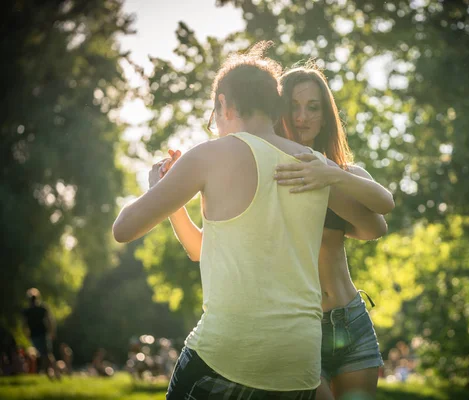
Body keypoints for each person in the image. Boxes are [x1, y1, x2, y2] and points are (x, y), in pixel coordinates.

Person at [113, 41, 365, 400]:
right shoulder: (313, 162)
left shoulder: (209, 155)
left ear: (223, 105)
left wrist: (162, 186)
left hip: (228, 354)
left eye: (214, 115)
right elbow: (373, 224)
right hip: (300, 363)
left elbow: (123, 229)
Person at [273, 65, 395, 400]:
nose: (302, 117)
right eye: (293, 107)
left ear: (326, 117)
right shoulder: (272, 175)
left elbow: (382, 214)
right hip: (299, 327)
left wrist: (332, 175)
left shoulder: (344, 173)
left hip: (351, 319)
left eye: (313, 107)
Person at [22, 288, 61, 380]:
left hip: (39, 334)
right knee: (46, 354)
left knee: (46, 354)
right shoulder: (38, 309)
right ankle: (52, 373)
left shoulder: (31, 310)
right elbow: (50, 321)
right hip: (39, 334)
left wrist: (26, 334)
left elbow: (24, 325)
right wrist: (52, 331)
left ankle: (51, 373)